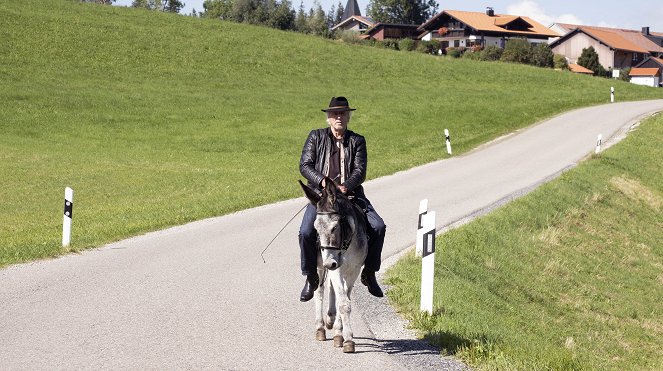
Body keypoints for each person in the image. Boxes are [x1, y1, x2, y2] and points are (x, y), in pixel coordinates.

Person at [298, 96, 386, 302]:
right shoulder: (316, 137)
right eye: (335, 113)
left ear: (348, 117)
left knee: (378, 226)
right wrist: (323, 182)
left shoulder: (357, 140)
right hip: (321, 198)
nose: (339, 117)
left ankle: (370, 273)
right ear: (328, 118)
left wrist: (346, 186)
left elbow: (360, 170)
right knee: (305, 232)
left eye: (343, 113)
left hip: (351, 196)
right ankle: (310, 276)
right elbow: (305, 165)